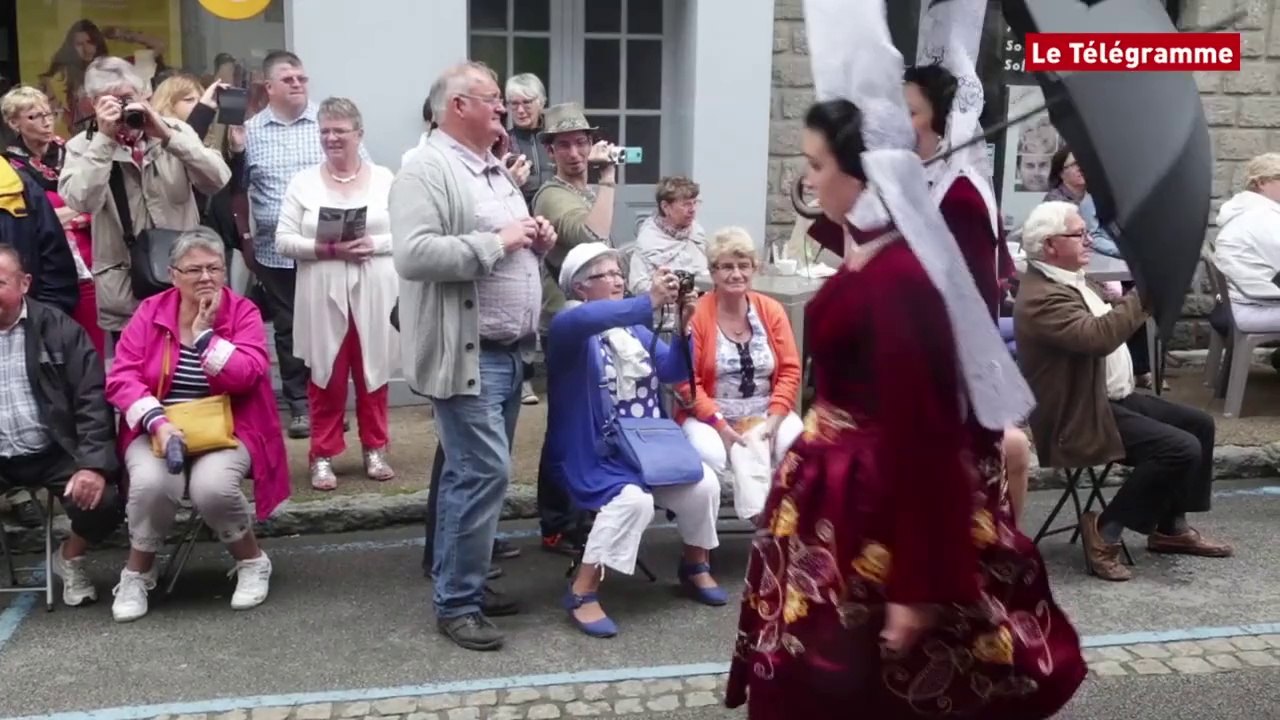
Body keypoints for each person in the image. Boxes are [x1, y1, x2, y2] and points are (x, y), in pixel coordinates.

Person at [726, 96, 1085, 718]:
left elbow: (927, 436)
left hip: (872, 504)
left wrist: (919, 586)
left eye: (816, 164)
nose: (808, 179)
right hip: (831, 496)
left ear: (859, 171)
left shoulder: (901, 279)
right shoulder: (872, 250)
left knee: (864, 681)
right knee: (819, 671)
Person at [390, 61, 557, 651]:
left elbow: (507, 240)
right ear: (458, 106)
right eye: (492, 100)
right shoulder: (426, 170)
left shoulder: (492, 169)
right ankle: (458, 602)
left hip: (509, 352)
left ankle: (465, 581)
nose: (503, 110)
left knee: (475, 473)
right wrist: (503, 240)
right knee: (481, 473)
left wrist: (533, 232)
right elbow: (412, 255)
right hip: (469, 353)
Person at [1014, 201, 1232, 582]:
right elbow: (1097, 337)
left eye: (1086, 232)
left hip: (1104, 398)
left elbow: (1104, 320)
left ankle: (1170, 528)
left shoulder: (1068, 278)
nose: (1088, 240)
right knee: (1178, 448)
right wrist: (1145, 292)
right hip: (1075, 415)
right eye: (1078, 234)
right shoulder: (1041, 297)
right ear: (1050, 245)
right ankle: (1105, 528)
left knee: (1198, 425)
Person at [104, 227, 289, 622]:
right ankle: (138, 572)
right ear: (173, 275)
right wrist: (157, 422)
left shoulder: (243, 312)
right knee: (152, 483)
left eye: (214, 268)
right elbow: (122, 377)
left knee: (213, 487)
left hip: (227, 427)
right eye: (194, 270)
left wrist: (205, 338)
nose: (206, 277)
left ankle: (253, 562)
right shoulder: (149, 312)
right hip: (159, 427)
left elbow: (248, 374)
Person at [547, 242, 726, 638]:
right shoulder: (567, 327)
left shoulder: (634, 329)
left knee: (705, 484)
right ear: (580, 288)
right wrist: (650, 300)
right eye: (604, 275)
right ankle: (583, 589)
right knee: (634, 500)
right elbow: (596, 319)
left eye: (617, 273)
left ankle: (695, 565)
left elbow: (673, 370)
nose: (615, 280)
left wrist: (683, 326)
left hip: (646, 449)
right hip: (594, 454)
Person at [903, 62, 1031, 523]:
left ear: (942, 121)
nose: (900, 122)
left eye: (911, 111)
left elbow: (970, 298)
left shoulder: (959, 196)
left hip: (946, 364)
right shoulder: (924, 179)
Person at [237, 51, 367, 438]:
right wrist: (244, 238)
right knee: (291, 329)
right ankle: (300, 407)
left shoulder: (326, 126)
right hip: (278, 252)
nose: (297, 84)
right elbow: (237, 191)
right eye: (288, 78)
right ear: (269, 86)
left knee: (334, 327)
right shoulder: (250, 132)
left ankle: (330, 405)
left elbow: (363, 172)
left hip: (333, 250)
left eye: (302, 78)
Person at [58, 57, 231, 339]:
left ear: (145, 94)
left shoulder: (177, 132)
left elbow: (217, 180)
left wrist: (166, 135)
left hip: (186, 280)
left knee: (191, 371)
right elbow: (81, 201)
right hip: (126, 289)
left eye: (127, 98)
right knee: (137, 376)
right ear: (92, 103)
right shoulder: (83, 146)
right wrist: (103, 141)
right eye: (109, 101)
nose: (122, 108)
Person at [276, 97, 399, 489]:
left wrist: (371, 244)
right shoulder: (304, 182)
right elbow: (282, 240)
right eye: (325, 131)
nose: (331, 138)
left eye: (340, 131)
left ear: (358, 135)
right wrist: (327, 249)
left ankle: (375, 447)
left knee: (373, 369)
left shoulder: (385, 179)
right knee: (325, 372)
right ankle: (322, 453)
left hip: (375, 284)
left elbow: (407, 233)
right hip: (322, 286)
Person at [0, 243, 122, 607]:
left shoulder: (60, 330)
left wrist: (93, 465)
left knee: (106, 502)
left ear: (25, 284)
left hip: (55, 449)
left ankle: (69, 557)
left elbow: (92, 399)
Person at [529, 102, 620, 554]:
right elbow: (593, 238)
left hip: (592, 317)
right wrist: (607, 180)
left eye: (581, 142)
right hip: (565, 322)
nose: (575, 151)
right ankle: (557, 522)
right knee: (566, 423)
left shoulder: (582, 191)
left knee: (592, 419)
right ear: (550, 151)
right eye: (564, 143)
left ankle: (583, 514)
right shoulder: (550, 194)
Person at [675, 226, 803, 485]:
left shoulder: (772, 310)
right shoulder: (696, 314)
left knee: (796, 445)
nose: (736, 274)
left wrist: (774, 420)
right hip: (710, 415)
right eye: (726, 267)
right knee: (712, 455)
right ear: (712, 272)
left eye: (743, 265)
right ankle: (742, 516)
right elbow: (686, 382)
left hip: (766, 411)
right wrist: (721, 425)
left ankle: (779, 515)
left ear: (754, 268)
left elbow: (790, 370)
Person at [2, 85, 95, 341]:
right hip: (46, 265)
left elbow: (96, 202)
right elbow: (36, 219)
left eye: (49, 114)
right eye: (33, 116)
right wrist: (77, 211)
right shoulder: (10, 167)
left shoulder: (73, 153)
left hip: (90, 260)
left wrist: (76, 212)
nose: (46, 122)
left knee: (90, 341)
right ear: (14, 123)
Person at [1211, 152, 1280, 332]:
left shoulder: (1246, 210)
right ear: (1261, 183)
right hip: (1254, 307)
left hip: (1243, 302)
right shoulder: (1262, 217)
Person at [628, 176, 709, 295]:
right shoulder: (648, 241)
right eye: (686, 204)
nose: (692, 210)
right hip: (665, 308)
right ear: (665, 207)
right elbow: (637, 286)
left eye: (695, 203)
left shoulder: (697, 232)